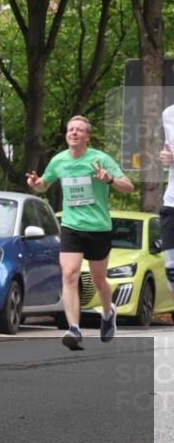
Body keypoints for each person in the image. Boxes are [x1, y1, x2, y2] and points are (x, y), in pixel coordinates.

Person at [26, 116, 134, 350]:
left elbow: (129, 186)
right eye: (70, 129)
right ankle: (74, 328)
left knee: (98, 280)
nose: (74, 133)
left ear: (87, 136)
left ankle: (108, 312)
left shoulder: (100, 159)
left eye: (79, 130)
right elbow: (44, 184)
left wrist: (110, 179)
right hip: (71, 226)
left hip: (98, 228)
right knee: (70, 274)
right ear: (66, 135)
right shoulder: (59, 160)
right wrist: (36, 184)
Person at [158, 105, 174, 296]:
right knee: (171, 269)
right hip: (172, 201)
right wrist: (165, 158)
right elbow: (167, 150)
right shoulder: (168, 114)